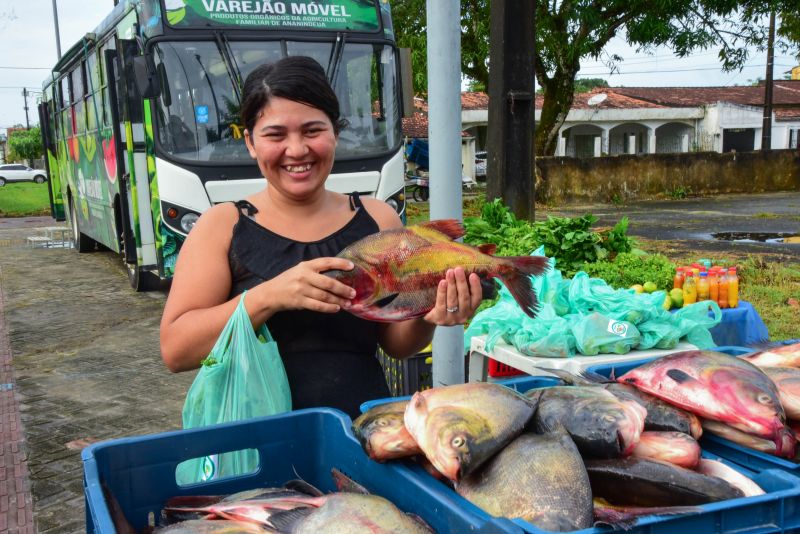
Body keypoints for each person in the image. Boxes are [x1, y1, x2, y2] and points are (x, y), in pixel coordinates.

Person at [160, 56, 483, 418]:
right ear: (251, 142)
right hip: (258, 441)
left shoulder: (378, 218)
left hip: (361, 430)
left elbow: (395, 345)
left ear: (336, 133)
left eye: (313, 130)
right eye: (275, 134)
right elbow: (176, 350)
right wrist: (269, 297)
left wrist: (430, 314)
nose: (297, 150)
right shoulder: (222, 226)